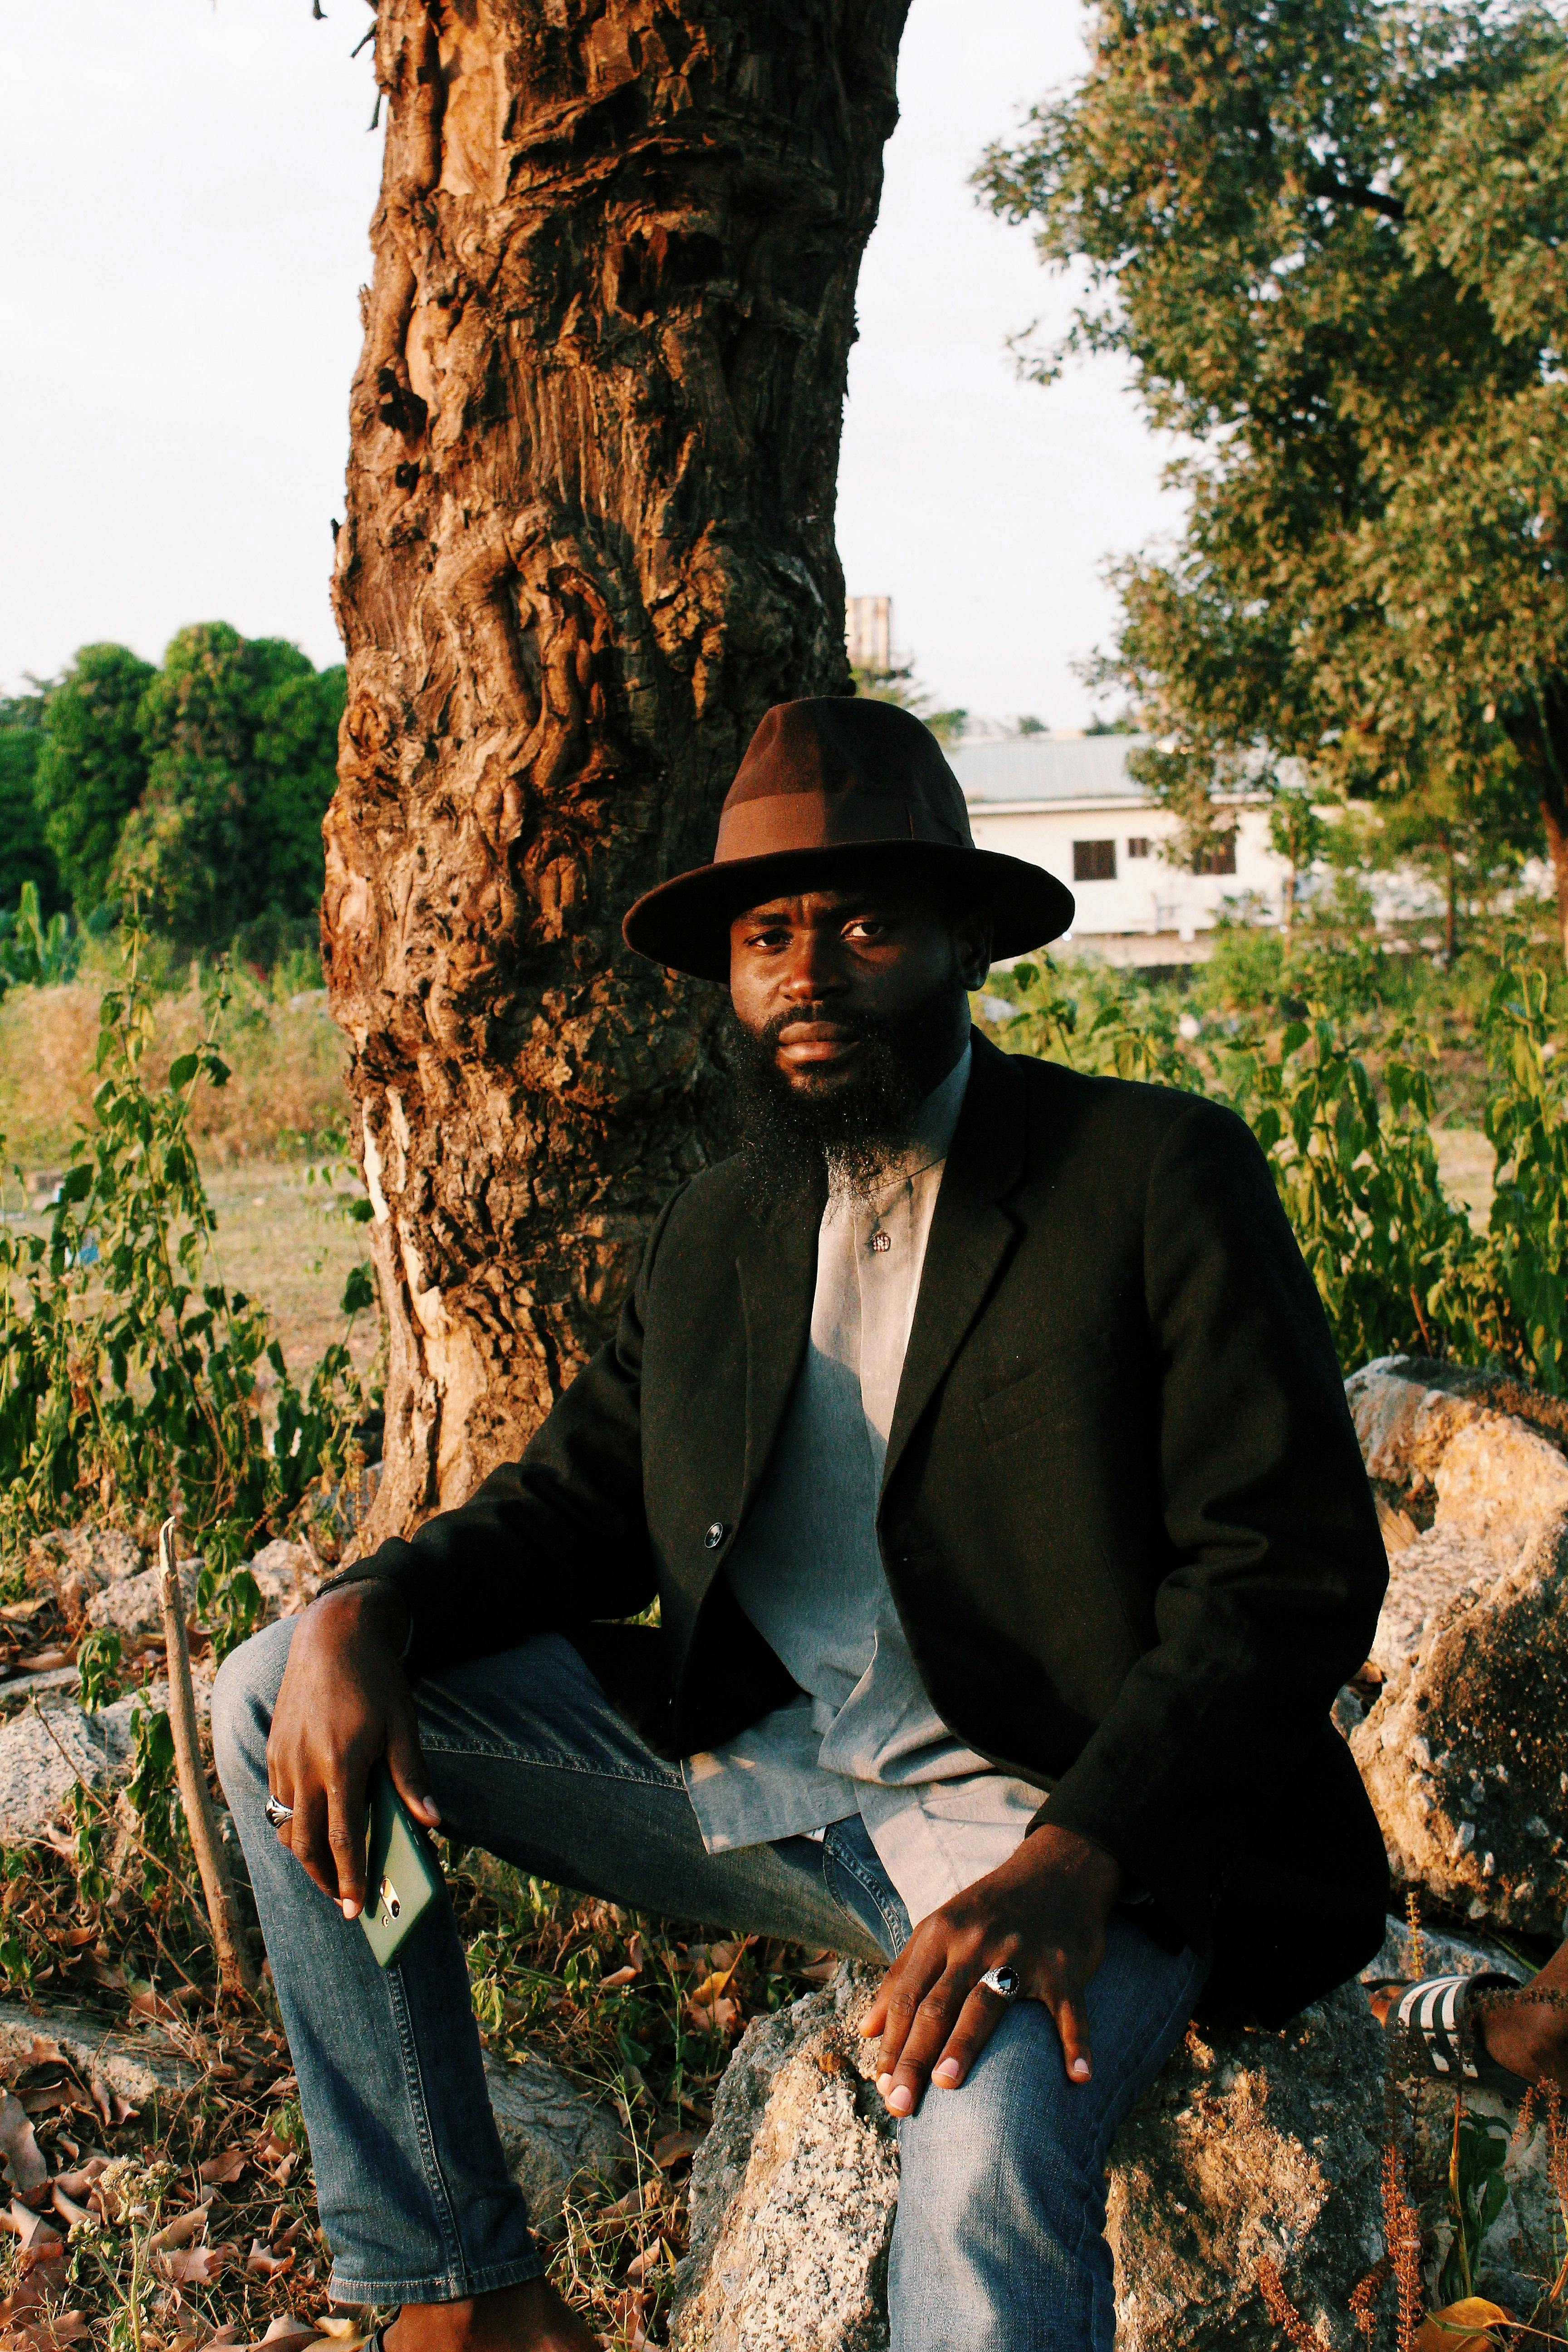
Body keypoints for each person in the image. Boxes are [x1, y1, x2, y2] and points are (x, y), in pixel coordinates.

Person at [214, 697, 1392, 2352]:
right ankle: (461, 2295)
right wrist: (368, 1605)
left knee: (977, 2143)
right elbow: (582, 1507)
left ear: (968, 942)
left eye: (868, 925)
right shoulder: (727, 1220)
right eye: (770, 936)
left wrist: (1078, 1853)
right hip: (779, 1792)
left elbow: (1285, 1575)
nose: (810, 973)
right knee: (281, 1686)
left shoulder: (1151, 1174)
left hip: (1072, 1836)